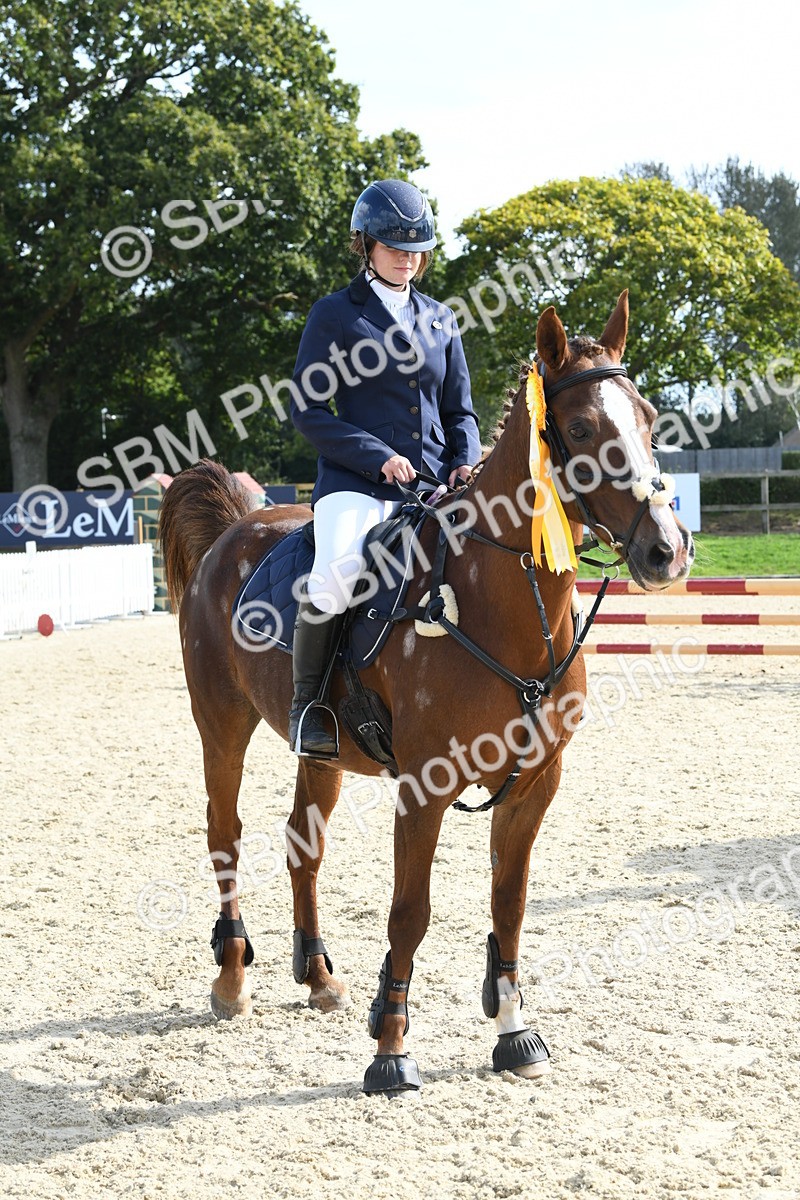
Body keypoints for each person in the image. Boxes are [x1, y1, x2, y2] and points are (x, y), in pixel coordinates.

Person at [288, 178, 482, 756]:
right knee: (340, 568)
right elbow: (307, 410)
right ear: (365, 244)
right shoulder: (335, 315)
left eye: (416, 248)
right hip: (355, 483)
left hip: (429, 485)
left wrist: (464, 463)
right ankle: (310, 706)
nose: (407, 258)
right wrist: (378, 457)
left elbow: (461, 412)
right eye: (395, 247)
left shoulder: (441, 319)